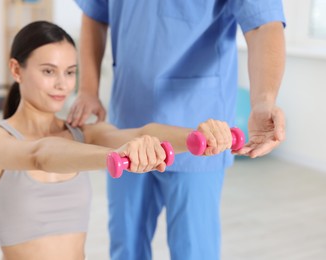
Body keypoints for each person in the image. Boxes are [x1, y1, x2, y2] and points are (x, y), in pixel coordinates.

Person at [0, 21, 236, 260]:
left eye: (70, 72)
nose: (63, 85)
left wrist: (198, 137)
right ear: (16, 70)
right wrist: (115, 156)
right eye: (49, 72)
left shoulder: (84, 134)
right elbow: (39, 155)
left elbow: (141, 133)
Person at [67, 1, 287, 259]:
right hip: (127, 124)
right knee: (125, 246)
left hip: (199, 127)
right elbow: (94, 14)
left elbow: (262, 24)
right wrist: (87, 90)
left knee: (193, 250)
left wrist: (264, 100)